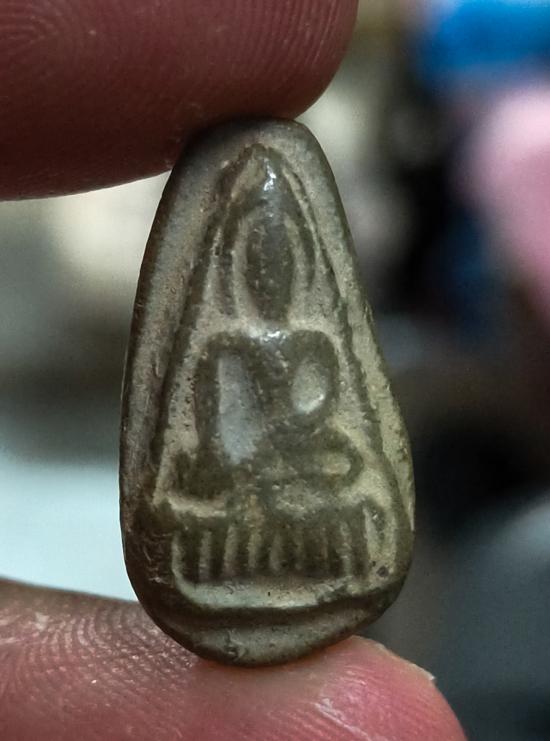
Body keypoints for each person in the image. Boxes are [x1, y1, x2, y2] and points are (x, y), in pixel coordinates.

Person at [0, 2, 465, 738]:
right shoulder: (221, 347)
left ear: (297, 260)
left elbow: (329, 431)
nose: (267, 269)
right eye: (256, 255)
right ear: (239, 261)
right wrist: (225, 466)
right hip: (240, 479)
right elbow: (215, 441)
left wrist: (305, 457)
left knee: (345, 479)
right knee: (194, 500)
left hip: (297, 475)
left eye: (278, 255)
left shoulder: (313, 341)